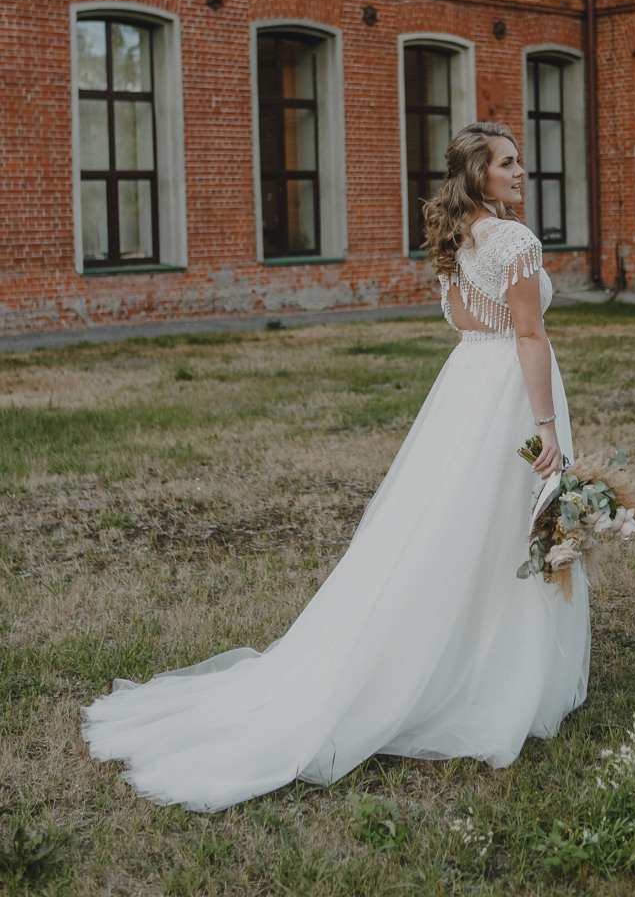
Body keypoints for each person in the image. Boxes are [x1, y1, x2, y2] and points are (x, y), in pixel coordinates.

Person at [81, 121, 590, 812]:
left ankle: (449, 651)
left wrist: (498, 342)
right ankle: (486, 673)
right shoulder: (513, 240)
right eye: (506, 164)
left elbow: (462, 320)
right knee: (501, 522)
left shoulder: (462, 238)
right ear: (478, 175)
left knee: (448, 524)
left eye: (518, 162)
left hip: (467, 389)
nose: (520, 171)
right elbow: (528, 334)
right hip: (506, 397)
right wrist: (544, 425)